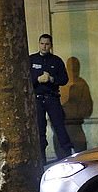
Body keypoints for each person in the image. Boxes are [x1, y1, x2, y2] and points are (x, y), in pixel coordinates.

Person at [30, 34, 73, 162]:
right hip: (37, 99)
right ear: (39, 44)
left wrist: (52, 79)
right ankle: (41, 157)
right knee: (39, 128)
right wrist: (37, 79)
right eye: (42, 44)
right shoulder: (31, 60)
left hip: (52, 98)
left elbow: (64, 79)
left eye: (47, 44)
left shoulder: (56, 61)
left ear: (51, 45)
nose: (44, 46)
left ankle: (67, 154)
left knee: (59, 126)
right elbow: (24, 78)